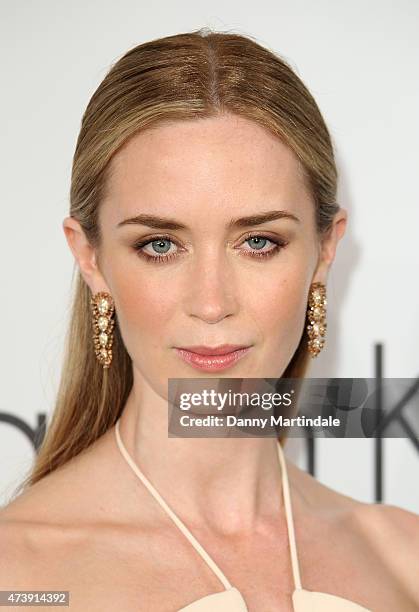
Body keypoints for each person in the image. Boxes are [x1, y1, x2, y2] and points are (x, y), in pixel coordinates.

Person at [1, 28, 418, 611]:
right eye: (160, 246)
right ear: (89, 257)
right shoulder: (16, 576)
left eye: (258, 241)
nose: (212, 302)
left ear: (325, 248)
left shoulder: (405, 557)